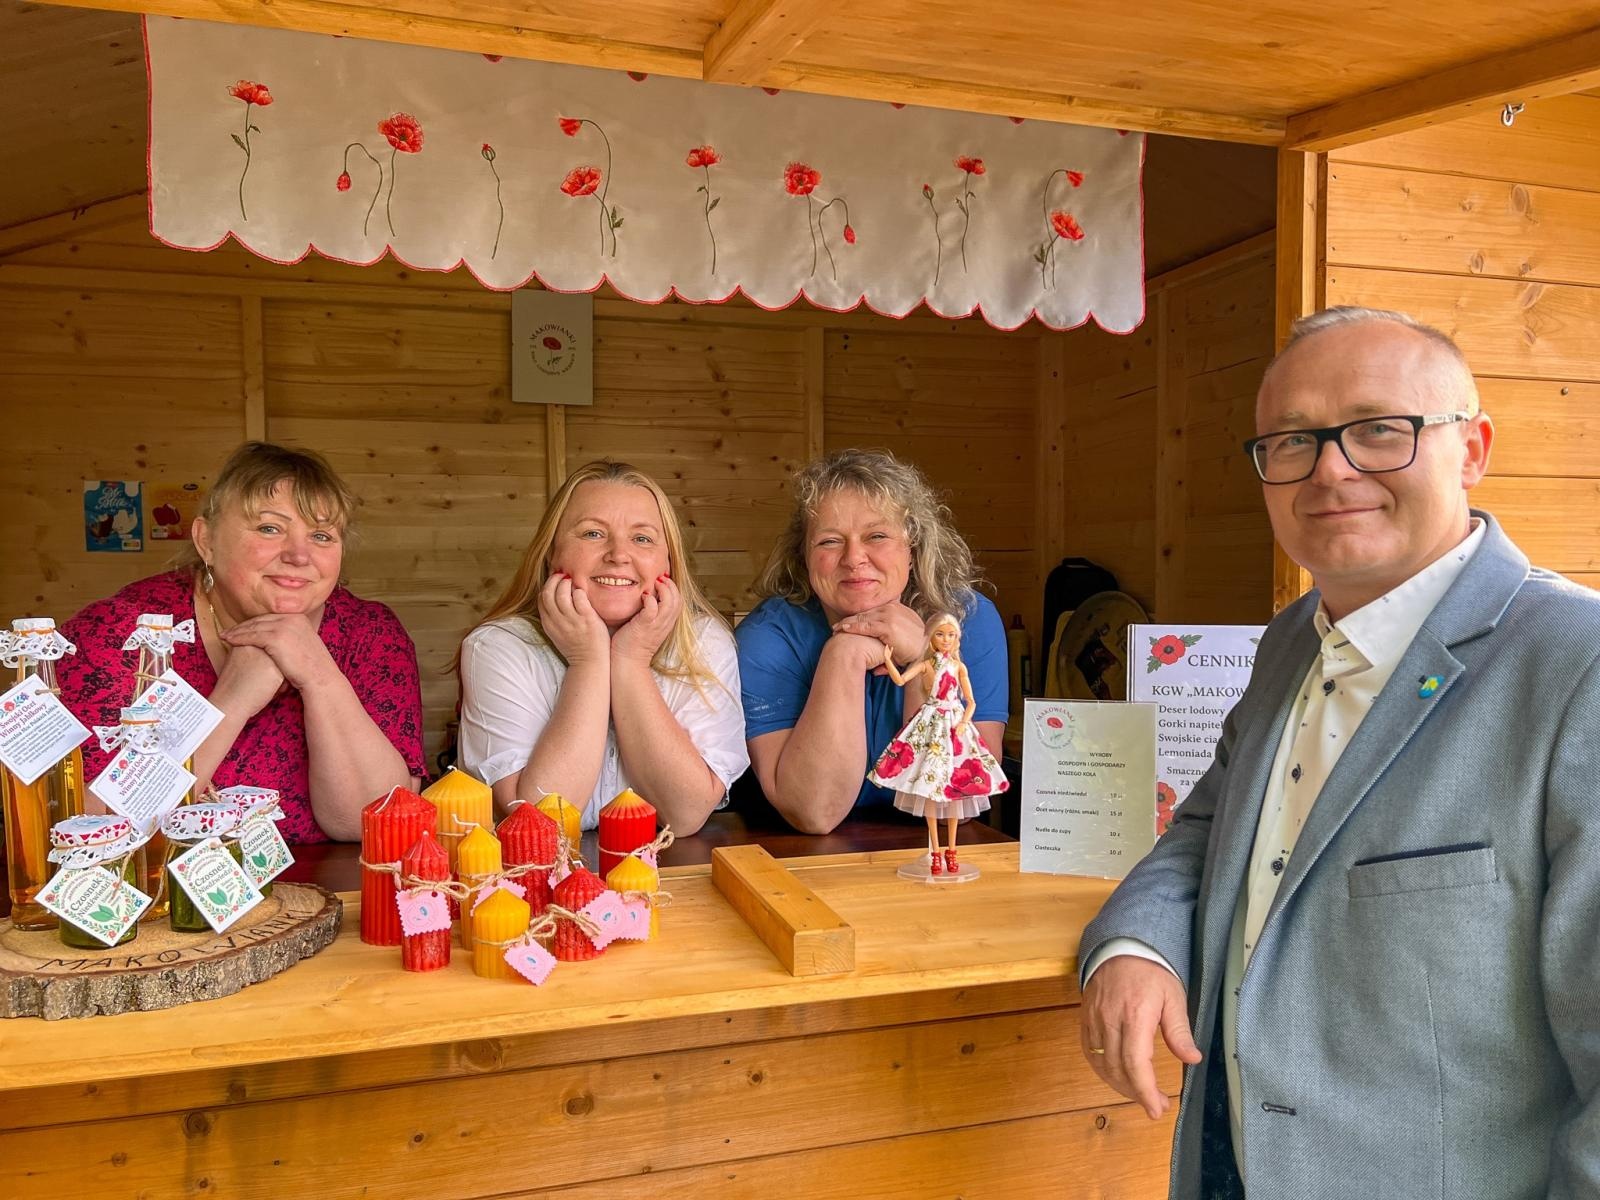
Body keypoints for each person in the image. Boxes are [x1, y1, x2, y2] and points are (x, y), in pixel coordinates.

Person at [1078, 307, 1600, 1198]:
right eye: (1291, 442)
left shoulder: (1575, 668)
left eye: (1378, 432)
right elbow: (1207, 830)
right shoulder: (1290, 641)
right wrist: (1136, 944)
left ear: (1471, 449)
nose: (1330, 468)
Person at [59, 442, 425, 843]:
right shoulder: (124, 634)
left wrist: (320, 677)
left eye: (321, 535)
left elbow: (374, 822)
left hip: (326, 898)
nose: (299, 555)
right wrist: (229, 702)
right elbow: (89, 827)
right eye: (270, 528)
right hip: (154, 897)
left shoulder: (369, 634)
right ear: (207, 541)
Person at [457, 461, 747, 835]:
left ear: (668, 562)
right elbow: (540, 825)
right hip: (528, 884)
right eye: (593, 533)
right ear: (551, 554)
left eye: (642, 538)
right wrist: (588, 662)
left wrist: (630, 661)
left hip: (664, 876)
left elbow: (686, 814)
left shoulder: (704, 642)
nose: (618, 554)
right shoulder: (498, 647)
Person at [737, 449, 1007, 834]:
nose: (854, 558)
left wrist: (922, 663)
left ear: (912, 547)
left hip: (928, 848)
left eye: (876, 536)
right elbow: (814, 812)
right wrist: (843, 654)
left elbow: (957, 805)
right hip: (799, 855)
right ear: (804, 557)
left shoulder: (966, 620)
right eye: (829, 542)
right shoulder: (769, 637)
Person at [872, 612, 1009, 874]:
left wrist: (963, 723)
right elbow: (900, 680)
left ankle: (952, 851)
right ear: (932, 637)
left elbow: (971, 702)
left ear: (957, 639)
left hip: (955, 724)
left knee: (956, 787)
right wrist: (889, 661)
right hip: (930, 721)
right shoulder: (926, 665)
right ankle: (935, 852)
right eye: (940, 634)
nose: (946, 639)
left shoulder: (959, 667)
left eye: (951, 635)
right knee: (929, 786)